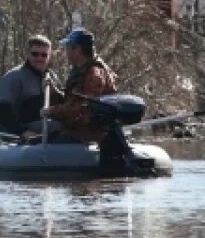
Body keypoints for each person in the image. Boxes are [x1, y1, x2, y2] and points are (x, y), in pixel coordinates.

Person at [31, 29, 133, 163]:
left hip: (90, 134)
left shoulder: (94, 75)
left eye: (67, 48)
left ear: (77, 50)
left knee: (37, 143)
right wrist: (54, 93)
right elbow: (75, 100)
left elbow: (83, 108)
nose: (65, 52)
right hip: (81, 131)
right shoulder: (81, 71)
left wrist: (51, 111)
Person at [0, 35, 56, 135]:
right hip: (18, 138)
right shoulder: (15, 76)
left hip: (46, 135)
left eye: (44, 55)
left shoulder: (52, 77)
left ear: (49, 55)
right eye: (35, 54)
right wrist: (21, 131)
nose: (39, 58)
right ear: (27, 54)